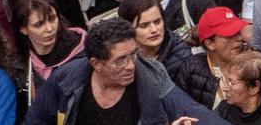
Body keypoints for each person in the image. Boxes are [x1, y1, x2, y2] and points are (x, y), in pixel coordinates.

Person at [26, 17, 225, 125]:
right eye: (120, 60)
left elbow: (195, 113)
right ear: (96, 64)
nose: (131, 65)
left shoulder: (151, 76)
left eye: (133, 54)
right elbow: (36, 119)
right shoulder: (67, 79)